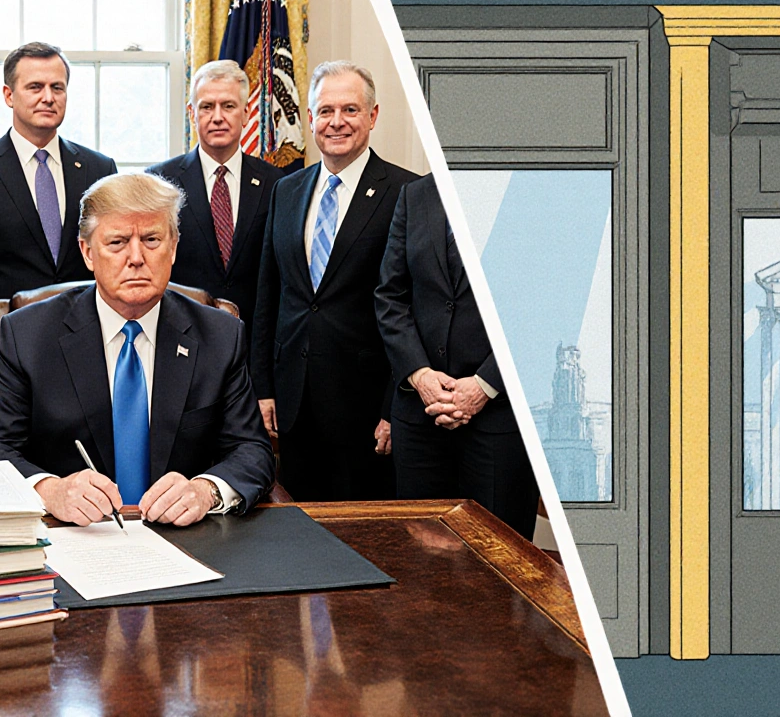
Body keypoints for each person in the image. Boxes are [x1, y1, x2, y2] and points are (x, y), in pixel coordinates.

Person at [0, 172, 275, 526]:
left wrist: (206, 491)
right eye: (117, 242)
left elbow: (252, 451)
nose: (136, 257)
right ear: (88, 252)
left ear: (173, 248)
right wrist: (49, 490)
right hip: (71, 536)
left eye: (152, 239)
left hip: (188, 540)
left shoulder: (220, 335)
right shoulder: (27, 334)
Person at [251, 61, 421, 502]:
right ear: (309, 119)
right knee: (300, 535)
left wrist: (393, 407)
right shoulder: (286, 190)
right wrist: (264, 388)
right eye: (325, 111)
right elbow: (269, 294)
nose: (337, 122)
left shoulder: (406, 192)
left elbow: (413, 310)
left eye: (350, 109)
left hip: (365, 410)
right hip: (294, 401)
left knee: (365, 540)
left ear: (373, 116)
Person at [0, 42, 117, 413]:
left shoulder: (99, 169)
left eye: (57, 87)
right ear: (9, 95)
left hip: (87, 354)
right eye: (34, 87)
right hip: (5, 359)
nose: (48, 97)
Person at [375, 176, 539, 539]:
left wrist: (484, 386)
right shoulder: (415, 195)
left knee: (500, 565)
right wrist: (419, 375)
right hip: (420, 420)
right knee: (421, 569)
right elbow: (390, 296)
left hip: (499, 424)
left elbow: (544, 304)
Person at [147, 60, 283, 331]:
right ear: (192, 114)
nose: (218, 116)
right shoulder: (159, 182)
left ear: (246, 113)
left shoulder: (277, 184)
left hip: (255, 337)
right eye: (207, 106)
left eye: (229, 106)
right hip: (181, 332)